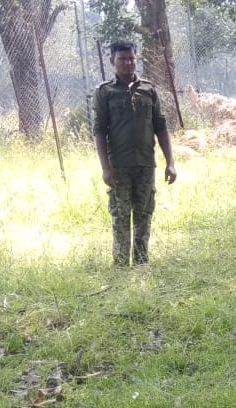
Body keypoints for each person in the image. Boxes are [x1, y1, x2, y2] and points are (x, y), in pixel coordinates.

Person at [93, 41, 177, 267]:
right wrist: (105, 168)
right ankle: (120, 266)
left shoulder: (148, 90)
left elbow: (161, 127)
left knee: (143, 215)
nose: (128, 63)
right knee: (121, 217)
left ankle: (141, 264)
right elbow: (99, 131)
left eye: (131, 58)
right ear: (113, 61)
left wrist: (170, 162)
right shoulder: (105, 92)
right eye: (122, 59)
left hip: (145, 164)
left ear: (136, 59)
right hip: (119, 166)